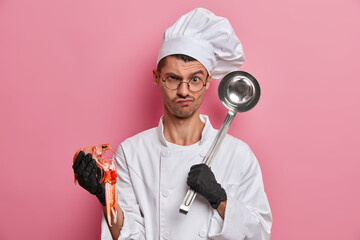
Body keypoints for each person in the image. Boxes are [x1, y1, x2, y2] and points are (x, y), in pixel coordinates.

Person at [73, 8, 272, 240]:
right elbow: (129, 237)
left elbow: (260, 234)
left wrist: (220, 199)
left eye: (195, 79)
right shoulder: (132, 152)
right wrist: (104, 195)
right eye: (173, 78)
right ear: (157, 78)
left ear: (208, 82)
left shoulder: (238, 154)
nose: (184, 91)